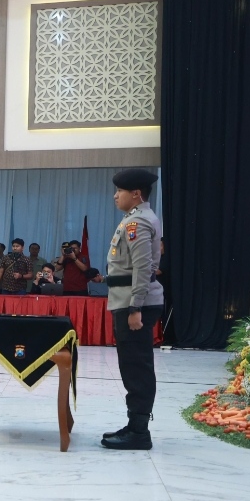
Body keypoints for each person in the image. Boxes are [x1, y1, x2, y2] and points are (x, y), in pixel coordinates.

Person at [100, 169, 163, 451]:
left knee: (136, 366)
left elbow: (142, 268)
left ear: (135, 194)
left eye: (119, 191)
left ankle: (139, 431)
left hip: (134, 303)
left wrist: (135, 306)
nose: (115, 196)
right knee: (131, 364)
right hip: (126, 299)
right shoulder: (133, 219)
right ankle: (135, 424)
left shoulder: (137, 222)